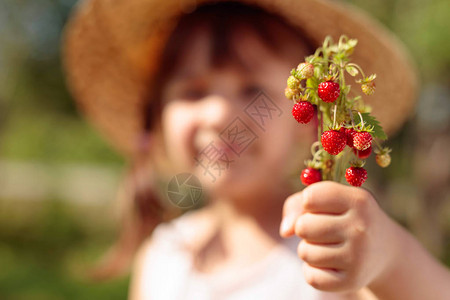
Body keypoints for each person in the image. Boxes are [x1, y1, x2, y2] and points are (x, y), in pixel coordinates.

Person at [63, 0, 450, 299]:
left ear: (311, 118)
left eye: (253, 92)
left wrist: (390, 257)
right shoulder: (163, 257)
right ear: (158, 116)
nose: (219, 114)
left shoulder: (330, 249)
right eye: (193, 91)